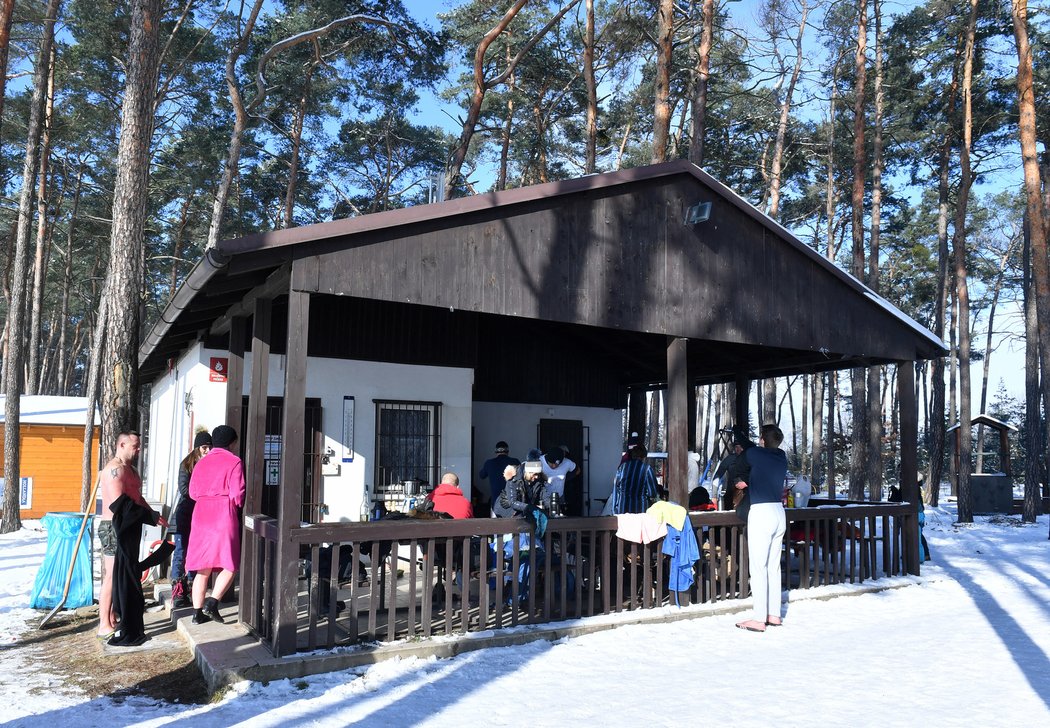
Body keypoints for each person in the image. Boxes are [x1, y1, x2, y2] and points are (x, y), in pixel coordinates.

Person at [97, 431, 167, 639]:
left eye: (138, 446)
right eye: (134, 446)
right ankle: (103, 623)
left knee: (122, 573)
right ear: (121, 445)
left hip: (129, 527)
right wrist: (146, 516)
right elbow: (120, 504)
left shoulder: (131, 470)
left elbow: (136, 498)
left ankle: (113, 615)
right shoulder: (114, 471)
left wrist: (152, 514)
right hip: (113, 527)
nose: (138, 450)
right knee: (111, 574)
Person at [186, 425, 245, 624]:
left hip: (201, 513)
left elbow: (192, 492)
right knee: (230, 564)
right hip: (223, 512)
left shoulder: (201, 463)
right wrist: (236, 506)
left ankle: (196, 613)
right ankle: (212, 603)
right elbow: (238, 494)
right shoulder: (234, 461)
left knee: (203, 566)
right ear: (232, 442)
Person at [734, 423, 788, 633]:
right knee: (773, 567)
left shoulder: (755, 454)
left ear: (763, 440)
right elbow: (754, 449)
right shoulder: (781, 456)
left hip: (761, 512)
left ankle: (758, 618)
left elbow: (748, 450)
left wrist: (739, 435)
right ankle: (773, 614)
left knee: (758, 568)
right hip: (778, 512)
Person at [170, 430, 211, 609]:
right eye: (204, 447)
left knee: (197, 551)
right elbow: (183, 488)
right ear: (197, 448)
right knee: (181, 551)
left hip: (203, 514)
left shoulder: (211, 463)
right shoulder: (186, 464)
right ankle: (178, 590)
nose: (207, 451)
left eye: (210, 447)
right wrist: (202, 495)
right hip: (186, 512)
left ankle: (193, 586)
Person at [611, 444, 658, 514]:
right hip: (639, 511)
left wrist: (614, 509)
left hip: (623, 509)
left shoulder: (622, 467)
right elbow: (653, 493)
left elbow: (615, 488)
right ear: (644, 457)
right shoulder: (647, 469)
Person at [478, 441, 520, 507]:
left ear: (496, 451)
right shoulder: (515, 462)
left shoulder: (489, 463)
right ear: (507, 451)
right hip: (512, 500)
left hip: (495, 501)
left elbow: (481, 475)